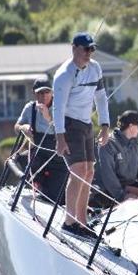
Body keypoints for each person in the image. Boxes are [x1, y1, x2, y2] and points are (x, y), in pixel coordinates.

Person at [52, 32, 111, 238]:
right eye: (86, 49)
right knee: (78, 171)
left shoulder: (95, 68)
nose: (89, 53)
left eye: (92, 49)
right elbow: (57, 109)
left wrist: (105, 125)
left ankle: (82, 222)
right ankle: (69, 222)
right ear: (74, 48)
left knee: (89, 172)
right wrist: (60, 138)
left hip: (86, 124)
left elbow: (101, 98)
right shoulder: (65, 74)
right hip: (69, 125)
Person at [92, 110, 138, 207]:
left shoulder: (135, 145)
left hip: (129, 186)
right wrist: (122, 196)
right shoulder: (108, 144)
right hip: (108, 191)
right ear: (131, 126)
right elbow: (108, 176)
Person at [14, 77, 67, 204]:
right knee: (20, 159)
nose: (43, 96)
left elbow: (65, 133)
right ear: (34, 93)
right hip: (39, 153)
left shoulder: (61, 107)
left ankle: (44, 188)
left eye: (46, 92)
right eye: (40, 93)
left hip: (58, 158)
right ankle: (37, 184)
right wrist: (23, 127)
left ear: (52, 92)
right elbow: (16, 127)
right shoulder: (30, 108)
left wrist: (48, 117)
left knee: (55, 198)